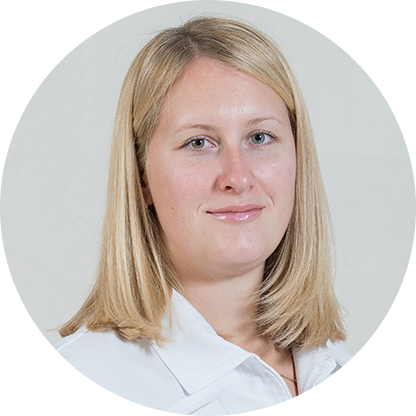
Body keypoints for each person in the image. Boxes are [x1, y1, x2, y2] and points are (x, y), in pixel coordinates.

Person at [54, 16, 352, 414]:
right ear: (141, 177)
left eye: (260, 137)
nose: (238, 178)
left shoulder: (329, 358)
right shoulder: (93, 372)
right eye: (198, 142)